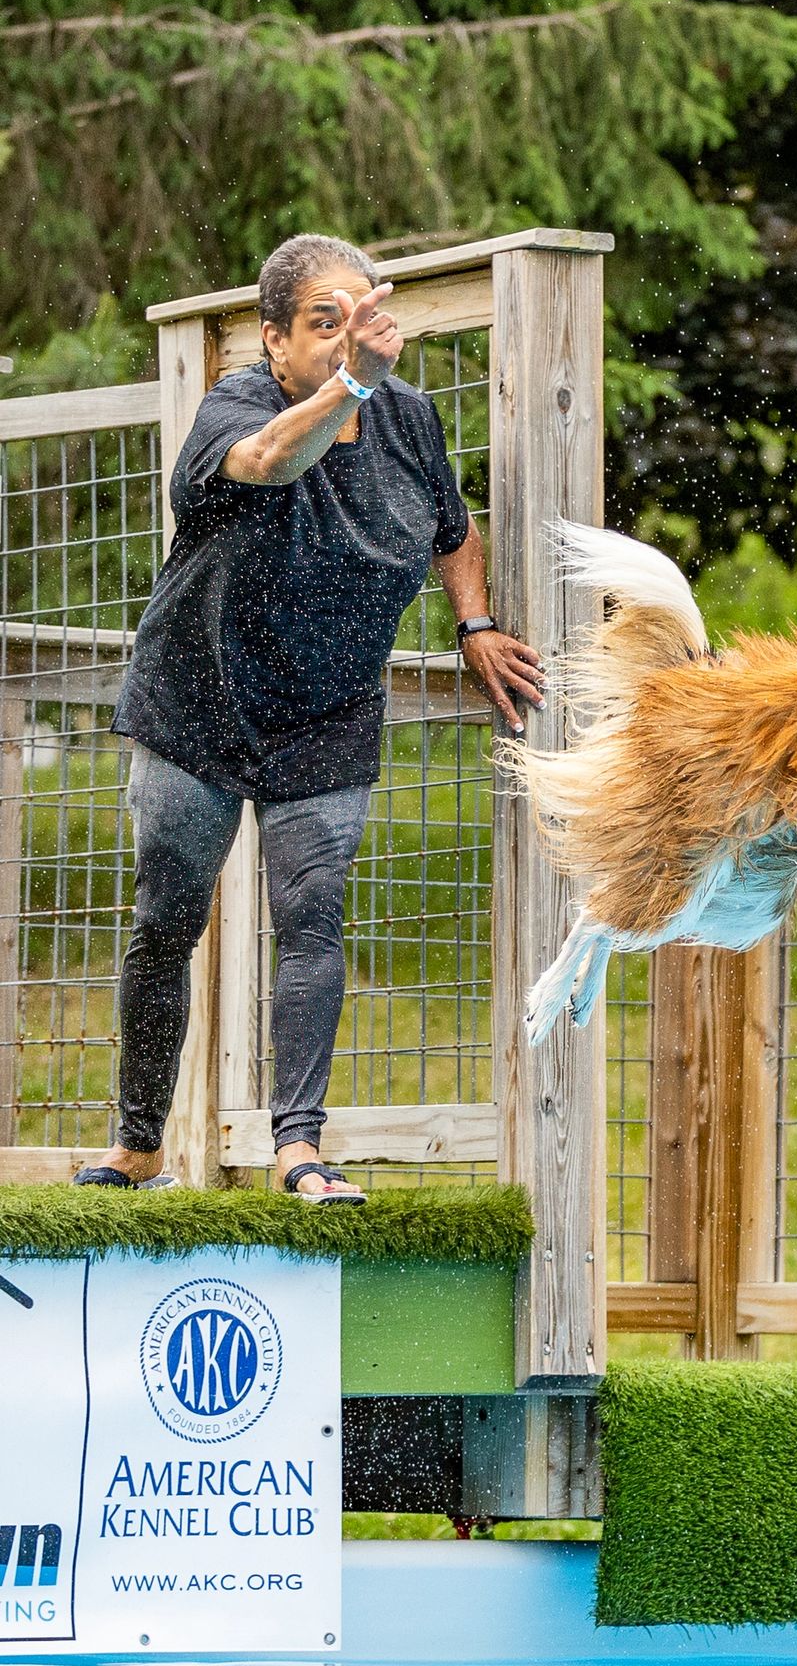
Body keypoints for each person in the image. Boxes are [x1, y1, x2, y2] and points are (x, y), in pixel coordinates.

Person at [74, 235, 547, 1202]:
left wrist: (476, 622)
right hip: (199, 702)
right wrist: (350, 389)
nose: (342, 341)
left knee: (311, 920)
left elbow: (453, 530)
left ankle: (299, 1146)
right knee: (165, 923)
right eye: (321, 325)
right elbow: (262, 465)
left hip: (326, 714)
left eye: (357, 320)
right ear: (276, 341)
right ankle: (137, 1146)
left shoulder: (409, 421)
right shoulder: (239, 408)